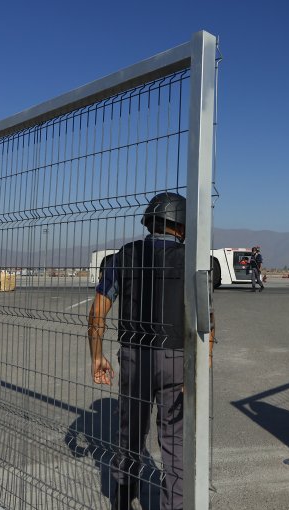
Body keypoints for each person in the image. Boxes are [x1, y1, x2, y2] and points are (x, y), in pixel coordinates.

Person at [88, 192, 189, 510]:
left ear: (149, 222)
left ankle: (123, 498)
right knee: (174, 441)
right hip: (176, 359)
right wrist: (198, 370)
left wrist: (97, 355)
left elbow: (97, 313)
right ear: (181, 227)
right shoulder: (190, 260)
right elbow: (205, 322)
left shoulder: (125, 256)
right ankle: (173, 504)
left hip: (134, 356)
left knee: (130, 436)